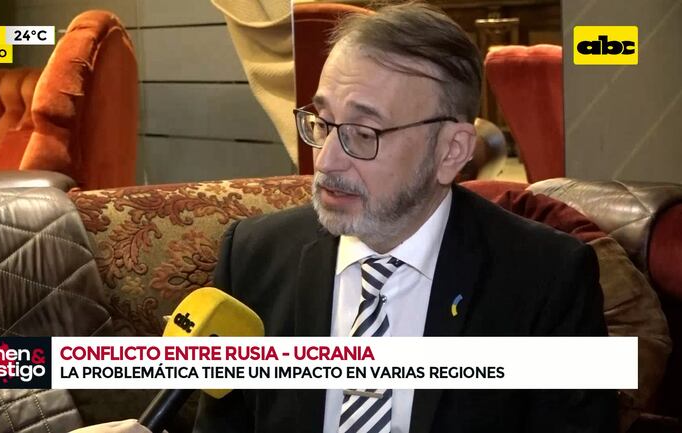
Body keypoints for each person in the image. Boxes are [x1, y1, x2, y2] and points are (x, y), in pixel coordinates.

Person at [194, 2, 617, 432]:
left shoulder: (548, 279)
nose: (326, 161)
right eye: (323, 122)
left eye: (364, 133)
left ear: (451, 151)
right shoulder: (252, 258)